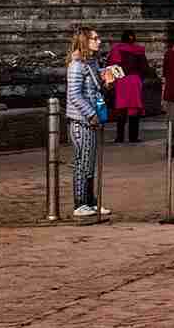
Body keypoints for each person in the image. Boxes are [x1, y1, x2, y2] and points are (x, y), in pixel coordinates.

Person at [65, 26, 110, 218]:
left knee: (89, 162)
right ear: (85, 41)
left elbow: (94, 88)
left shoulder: (91, 63)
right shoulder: (76, 65)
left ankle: (90, 201)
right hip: (81, 120)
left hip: (91, 119)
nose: (99, 41)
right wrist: (91, 114)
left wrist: (107, 80)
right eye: (95, 38)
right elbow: (74, 94)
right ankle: (80, 203)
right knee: (82, 161)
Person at [107, 30, 149, 144]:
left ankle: (120, 137)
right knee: (134, 110)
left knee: (121, 110)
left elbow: (111, 66)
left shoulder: (116, 49)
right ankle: (133, 137)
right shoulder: (139, 50)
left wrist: (114, 81)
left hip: (122, 81)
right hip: (135, 81)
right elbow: (145, 68)